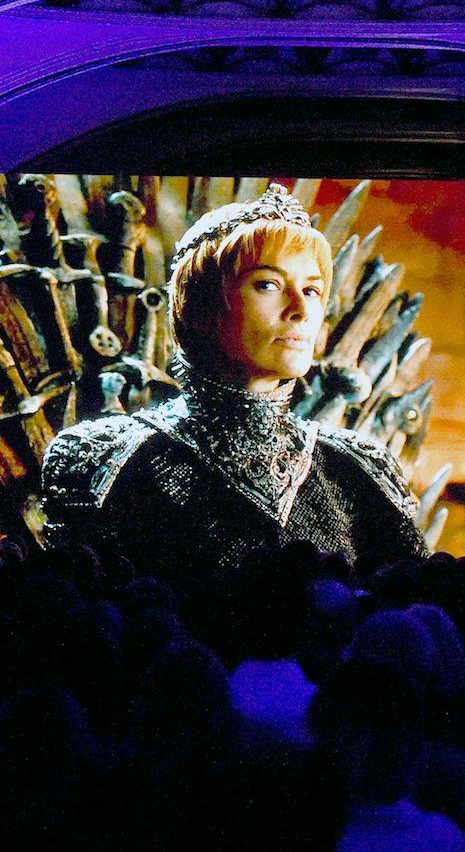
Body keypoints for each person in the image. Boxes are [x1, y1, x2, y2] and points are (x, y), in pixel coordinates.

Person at [41, 184, 425, 589]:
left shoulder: (360, 472)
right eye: (268, 285)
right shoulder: (105, 460)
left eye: (311, 290)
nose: (300, 310)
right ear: (200, 307)